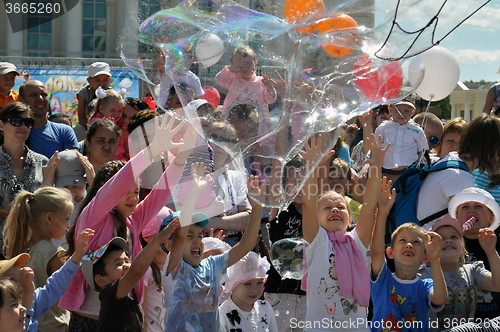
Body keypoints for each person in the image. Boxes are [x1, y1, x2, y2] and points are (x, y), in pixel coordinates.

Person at [59, 114, 196, 331]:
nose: (133, 197)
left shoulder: (132, 220)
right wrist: (151, 151)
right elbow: (119, 182)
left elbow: (160, 195)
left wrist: (181, 158)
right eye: (126, 192)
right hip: (90, 321)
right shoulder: (92, 217)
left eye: (136, 192)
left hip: (122, 318)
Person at [300, 133, 386, 332]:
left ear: (350, 218)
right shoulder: (316, 240)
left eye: (340, 206)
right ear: (318, 217)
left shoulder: (357, 241)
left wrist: (376, 167)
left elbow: (369, 205)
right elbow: (308, 202)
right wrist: (312, 166)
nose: (335, 209)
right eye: (327, 208)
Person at [163, 168, 265, 331]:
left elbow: (245, 246)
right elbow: (180, 232)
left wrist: (257, 210)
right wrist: (194, 193)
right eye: (189, 237)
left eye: (199, 236)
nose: (197, 241)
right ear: (169, 245)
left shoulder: (212, 265)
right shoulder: (175, 268)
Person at [371, 176, 448, 332]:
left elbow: (440, 299)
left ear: (424, 257)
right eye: (403, 240)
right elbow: (376, 251)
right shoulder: (383, 280)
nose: (409, 245)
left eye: (416, 242)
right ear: (390, 252)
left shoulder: (425, 285)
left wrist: (435, 260)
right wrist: (383, 212)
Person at [81, 218, 179, 332]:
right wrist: (157, 240)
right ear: (101, 280)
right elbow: (135, 272)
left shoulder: (127, 300)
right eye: (118, 263)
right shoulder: (110, 296)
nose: (127, 266)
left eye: (127, 261)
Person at [3, 187, 74, 332]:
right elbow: (66, 300)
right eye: (66, 219)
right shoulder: (55, 254)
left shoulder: (22, 248)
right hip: (53, 326)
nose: (68, 226)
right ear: (49, 218)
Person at [417, 114, 500, 231]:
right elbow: (468, 229)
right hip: (431, 243)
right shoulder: (460, 177)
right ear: (488, 148)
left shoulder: (451, 160)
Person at [0, 229, 94, 332]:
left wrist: (77, 256)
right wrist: (28, 293)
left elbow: (55, 286)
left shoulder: (28, 301)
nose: (21, 282)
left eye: (19, 276)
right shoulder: (25, 302)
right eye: (12, 279)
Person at [418, 217, 500, 331]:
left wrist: (491, 251)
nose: (448, 240)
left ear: (462, 248)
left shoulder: (473, 269)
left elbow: (497, 284)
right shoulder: (423, 275)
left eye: (454, 237)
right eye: (440, 238)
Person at [448, 187, 500, 319]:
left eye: (478, 206)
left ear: (491, 217)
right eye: (465, 207)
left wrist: (491, 251)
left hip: (494, 319)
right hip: (458, 319)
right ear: (457, 217)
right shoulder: (449, 243)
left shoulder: (497, 240)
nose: (471, 210)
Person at [0, 102, 49, 223]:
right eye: (16, 121)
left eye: (28, 122)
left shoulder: (42, 161)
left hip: (33, 238)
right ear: (1, 125)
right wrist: (5, 212)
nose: (23, 126)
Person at [205, 121, 252, 246]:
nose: (222, 143)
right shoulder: (192, 177)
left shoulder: (235, 177)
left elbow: (249, 219)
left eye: (227, 140)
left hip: (235, 247)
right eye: (217, 138)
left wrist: (218, 222)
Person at [216, 46, 277, 135]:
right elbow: (219, 79)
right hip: (235, 117)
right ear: (233, 65)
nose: (244, 67)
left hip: (256, 121)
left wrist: (269, 89)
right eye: (239, 64)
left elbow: (270, 100)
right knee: (232, 132)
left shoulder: (261, 82)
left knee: (258, 134)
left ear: (255, 65)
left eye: (248, 63)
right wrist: (231, 70)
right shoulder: (233, 80)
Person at [219, 251, 278, 332]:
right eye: (247, 284)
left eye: (260, 282)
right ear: (233, 285)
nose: (255, 290)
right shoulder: (222, 314)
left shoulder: (266, 308)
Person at [18, 80, 79, 158]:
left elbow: (72, 164)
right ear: (21, 100)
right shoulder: (14, 132)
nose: (40, 99)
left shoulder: (64, 131)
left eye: (44, 95)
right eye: (33, 95)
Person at [374, 98, 428, 181]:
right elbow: (375, 149)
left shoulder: (417, 130)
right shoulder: (382, 128)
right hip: (385, 170)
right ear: (390, 110)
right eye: (397, 110)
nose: (401, 114)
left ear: (413, 112)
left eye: (406, 111)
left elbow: (422, 150)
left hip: (408, 171)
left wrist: (419, 166)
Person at [52, 149, 95, 248]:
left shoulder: (91, 201)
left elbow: (105, 209)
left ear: (86, 181)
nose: (71, 191)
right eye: (65, 186)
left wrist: (94, 183)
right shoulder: (50, 205)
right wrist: (46, 183)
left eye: (76, 184)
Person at [140, 207, 173, 332]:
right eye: (165, 231)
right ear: (146, 236)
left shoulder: (176, 268)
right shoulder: (145, 270)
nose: (170, 236)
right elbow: (140, 314)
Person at [77, 62, 112, 130]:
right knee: (78, 129)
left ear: (109, 80)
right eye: (97, 80)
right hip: (88, 126)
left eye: (105, 80)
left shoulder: (112, 94)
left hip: (108, 126)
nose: (101, 83)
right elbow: (81, 118)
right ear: (89, 81)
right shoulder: (84, 93)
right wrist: (94, 128)